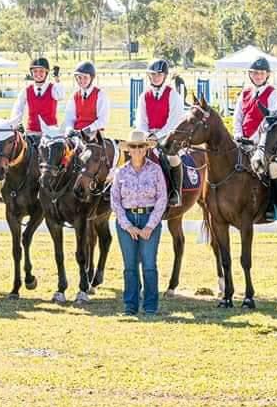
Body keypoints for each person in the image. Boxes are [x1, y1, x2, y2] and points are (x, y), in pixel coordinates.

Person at [110, 130, 168, 316]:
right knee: (130, 266)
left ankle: (150, 305)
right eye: (133, 147)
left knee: (149, 264)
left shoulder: (156, 170)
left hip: (149, 217)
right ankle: (130, 305)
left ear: (145, 149)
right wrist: (128, 226)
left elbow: (162, 198)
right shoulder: (121, 172)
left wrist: (150, 225)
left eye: (140, 146)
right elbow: (115, 201)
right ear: (129, 150)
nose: (137, 150)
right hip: (127, 220)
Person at [233, 57, 277, 220]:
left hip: (263, 142)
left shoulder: (273, 92)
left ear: (267, 75)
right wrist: (237, 134)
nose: (258, 76)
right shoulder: (245, 92)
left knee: (274, 167)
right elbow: (238, 116)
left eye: (261, 73)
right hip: (243, 141)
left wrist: (256, 139)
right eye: (255, 73)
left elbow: (269, 120)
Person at [135, 58, 185, 207]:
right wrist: (146, 134)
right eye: (153, 74)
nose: (156, 77)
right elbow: (140, 119)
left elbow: (173, 121)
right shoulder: (144, 96)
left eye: (159, 75)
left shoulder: (173, 95)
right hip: (148, 135)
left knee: (171, 157)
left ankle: (176, 192)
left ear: (164, 76)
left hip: (168, 136)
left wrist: (157, 136)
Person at [6, 56, 62, 140]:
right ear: (31, 73)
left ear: (46, 72)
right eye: (35, 71)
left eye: (41, 71)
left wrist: (57, 79)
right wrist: (16, 123)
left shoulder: (53, 88)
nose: (38, 74)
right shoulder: (26, 90)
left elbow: (61, 95)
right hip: (32, 131)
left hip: (50, 132)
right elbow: (18, 108)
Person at [63, 61, 109, 141]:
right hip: (77, 133)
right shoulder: (75, 96)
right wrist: (69, 129)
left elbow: (103, 120)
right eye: (79, 77)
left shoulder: (100, 94)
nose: (82, 80)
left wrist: (87, 130)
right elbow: (69, 117)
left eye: (85, 77)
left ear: (91, 78)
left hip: (94, 132)